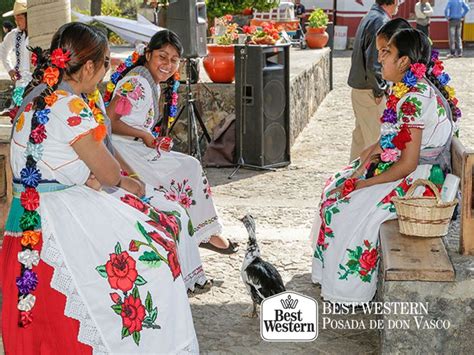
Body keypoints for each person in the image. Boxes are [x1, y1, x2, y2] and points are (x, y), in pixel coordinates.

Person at [1, 22, 199, 353]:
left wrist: (86, 176)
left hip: (23, 220)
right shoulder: (72, 106)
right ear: (89, 65)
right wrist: (125, 182)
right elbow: (109, 174)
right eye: (106, 62)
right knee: (158, 257)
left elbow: (46, 163)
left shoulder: (34, 99)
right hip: (57, 226)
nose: (107, 70)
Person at [311, 28, 456, 303]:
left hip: (419, 182)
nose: (380, 58)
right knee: (334, 187)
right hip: (409, 171)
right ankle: (328, 277)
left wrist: (364, 183)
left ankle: (347, 292)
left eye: (387, 52)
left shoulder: (414, 99)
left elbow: (408, 165)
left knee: (344, 209)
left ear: (403, 62)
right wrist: (359, 164)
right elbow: (387, 140)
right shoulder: (406, 90)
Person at [104, 30, 238, 254]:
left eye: (174, 60)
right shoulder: (137, 82)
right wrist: (145, 136)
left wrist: (149, 139)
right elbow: (110, 121)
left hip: (134, 147)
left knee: (189, 166)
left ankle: (203, 231)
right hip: (122, 152)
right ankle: (203, 232)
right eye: (162, 57)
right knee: (189, 167)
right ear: (148, 55)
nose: (167, 64)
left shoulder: (150, 81)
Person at [347, 0, 399, 162]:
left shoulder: (372, 16)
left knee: (361, 138)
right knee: (375, 140)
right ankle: (368, 182)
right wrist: (379, 89)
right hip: (370, 89)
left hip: (361, 88)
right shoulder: (380, 21)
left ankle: (351, 178)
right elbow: (375, 60)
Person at [0, 0, 31, 90]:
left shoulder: (37, 34)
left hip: (37, 81)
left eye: (20, 18)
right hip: (20, 82)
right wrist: (9, 69)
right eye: (15, 19)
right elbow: (3, 50)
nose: (17, 22)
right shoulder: (13, 34)